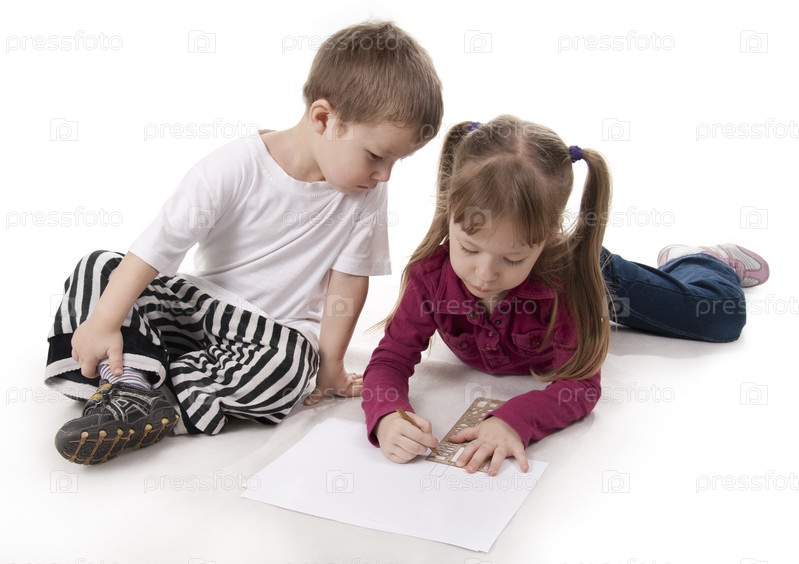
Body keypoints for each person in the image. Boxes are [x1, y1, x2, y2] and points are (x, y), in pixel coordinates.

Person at [45, 20, 444, 465]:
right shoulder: (237, 166)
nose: (384, 175)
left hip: (269, 338)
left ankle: (144, 391)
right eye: (376, 156)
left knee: (291, 367)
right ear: (324, 119)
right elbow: (161, 243)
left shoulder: (365, 193)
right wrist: (105, 320)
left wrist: (330, 366)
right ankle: (131, 383)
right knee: (100, 267)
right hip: (198, 306)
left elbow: (348, 282)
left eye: (396, 162)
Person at [361, 116, 769, 477]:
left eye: (512, 258)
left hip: (592, 273)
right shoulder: (430, 276)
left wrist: (513, 420)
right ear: (449, 214)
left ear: (547, 239)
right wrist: (386, 415)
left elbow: (580, 384)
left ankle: (700, 259)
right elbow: (390, 360)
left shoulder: (571, 283)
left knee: (721, 316)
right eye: (468, 249)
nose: (485, 275)